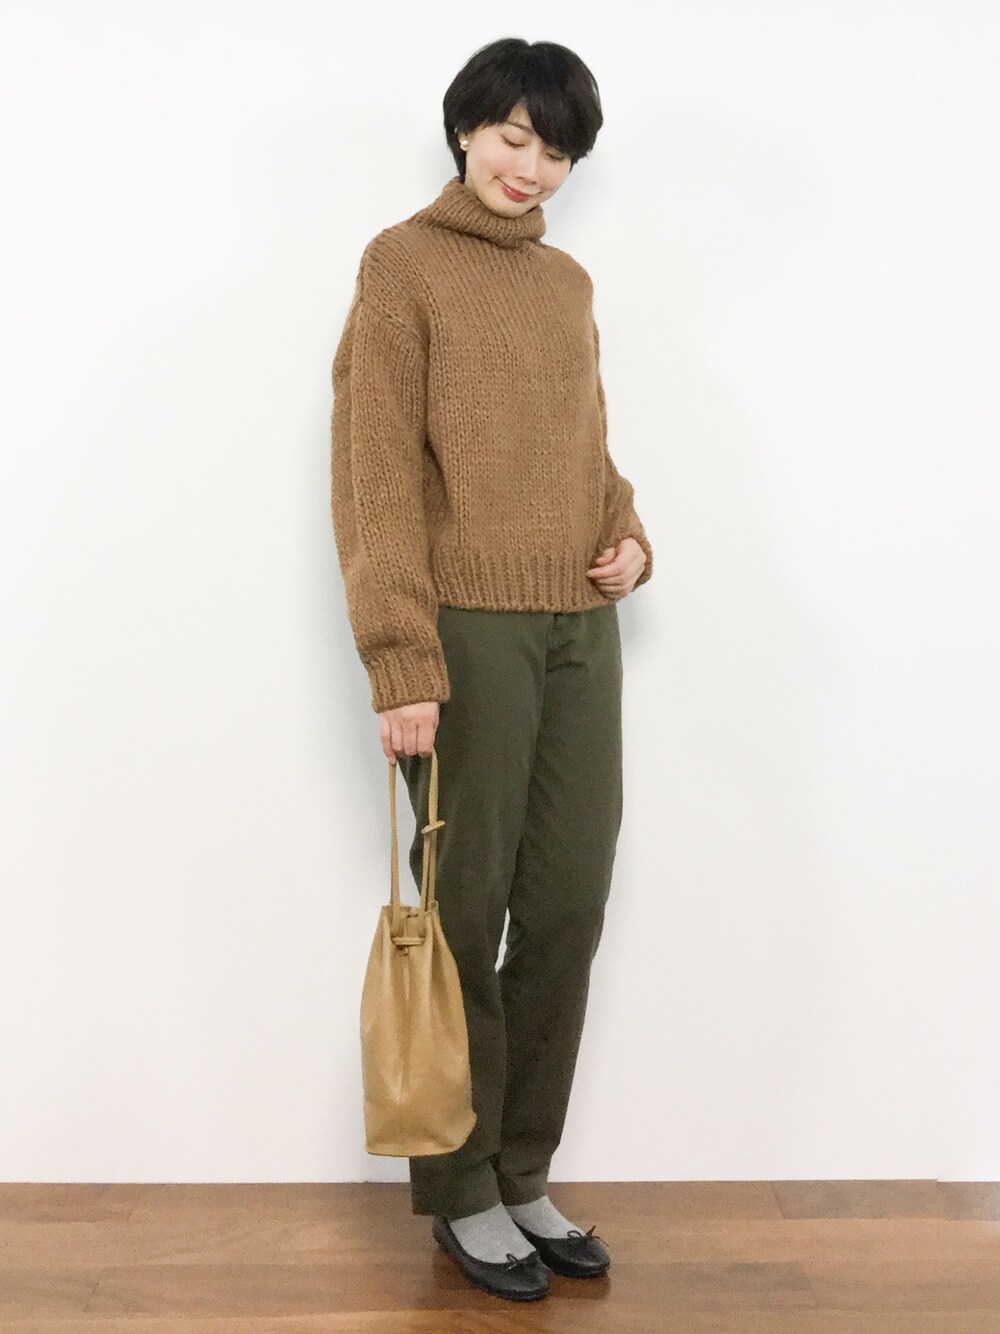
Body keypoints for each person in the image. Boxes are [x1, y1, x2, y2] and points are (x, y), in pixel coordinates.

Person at [329, 36, 653, 1303]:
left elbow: (587, 446)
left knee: (567, 903)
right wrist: (400, 655)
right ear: (466, 128)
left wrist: (630, 537)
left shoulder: (566, 283)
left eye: (556, 150)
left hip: (579, 626)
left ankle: (524, 1167)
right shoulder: (400, 264)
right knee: (463, 912)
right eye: (515, 138)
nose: (532, 167)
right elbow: (374, 472)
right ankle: (461, 1185)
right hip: (464, 632)